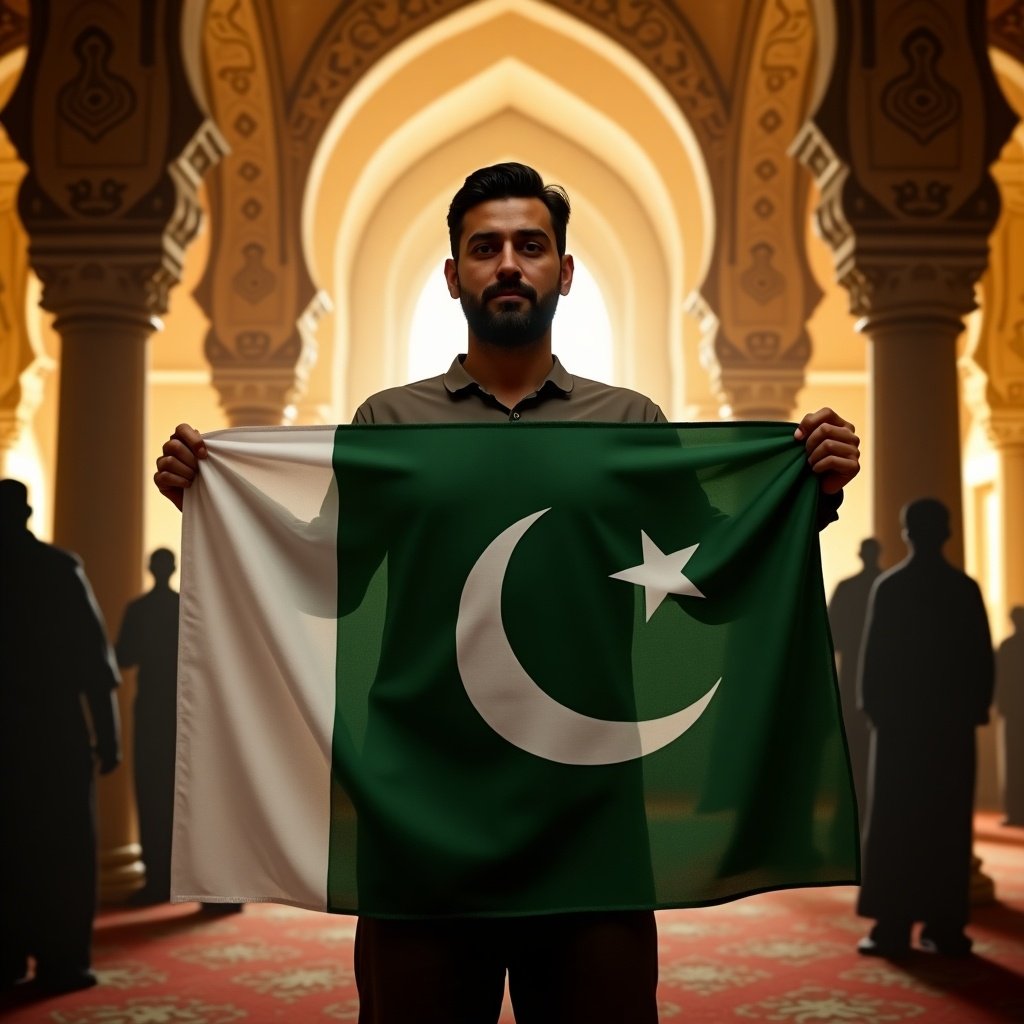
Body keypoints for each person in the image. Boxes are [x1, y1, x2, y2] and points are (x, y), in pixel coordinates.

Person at [154, 163, 861, 1023]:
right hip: (418, 826)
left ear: (566, 270)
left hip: (588, 820)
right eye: (484, 248)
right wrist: (213, 498)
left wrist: (809, 494)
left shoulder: (629, 425)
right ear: (453, 276)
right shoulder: (390, 426)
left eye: (532, 246)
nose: (509, 265)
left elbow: (712, 579)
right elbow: (323, 581)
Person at [856, 498, 994, 959]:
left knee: (895, 825)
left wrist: (874, 712)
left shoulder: (890, 588)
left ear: (906, 532)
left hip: (899, 731)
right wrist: (973, 712)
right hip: (949, 731)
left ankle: (891, 925)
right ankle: (944, 925)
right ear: (948, 532)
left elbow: (872, 661)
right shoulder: (965, 588)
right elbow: (981, 662)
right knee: (947, 827)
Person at [0, 479, 121, 995]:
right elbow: (95, 664)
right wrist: (109, 737)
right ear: (28, 512)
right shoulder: (59, 568)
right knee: (65, 850)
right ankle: (63, 961)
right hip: (55, 734)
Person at [116, 548, 181, 905]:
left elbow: (124, 657)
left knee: (151, 792)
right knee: (176, 793)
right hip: (180, 710)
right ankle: (172, 878)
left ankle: (157, 879)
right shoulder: (184, 606)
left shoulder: (139, 610)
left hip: (152, 709)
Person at [828, 538, 883, 814]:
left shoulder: (847, 588)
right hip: (886, 679)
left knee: (851, 745)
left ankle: (850, 809)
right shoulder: (890, 587)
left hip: (851, 675)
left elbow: (833, 637)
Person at [996, 606, 1024, 826]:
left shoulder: (1006, 647)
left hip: (1012, 714)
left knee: (1013, 764)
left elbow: (998, 681)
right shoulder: (1006, 647)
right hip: (1014, 712)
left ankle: (1015, 812)